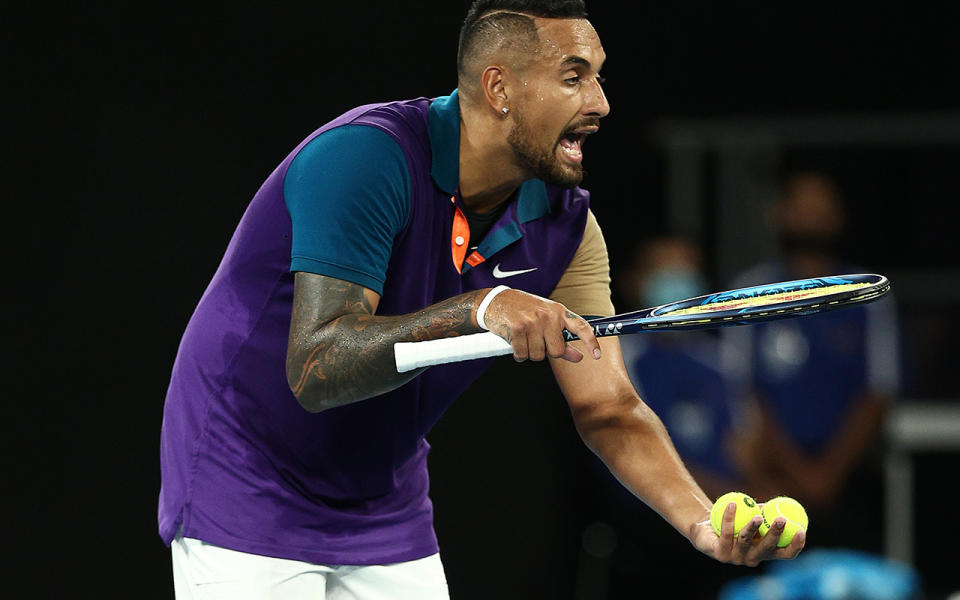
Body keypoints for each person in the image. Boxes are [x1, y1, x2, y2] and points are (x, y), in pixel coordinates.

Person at [159, 2, 804, 598]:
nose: (602, 103)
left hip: (382, 494)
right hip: (245, 472)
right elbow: (317, 367)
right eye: (574, 77)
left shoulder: (568, 229)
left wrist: (700, 525)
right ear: (499, 89)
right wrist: (480, 308)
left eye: (599, 77)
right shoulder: (365, 159)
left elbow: (609, 407)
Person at [721, 170, 900, 551]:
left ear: (839, 216)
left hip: (849, 477)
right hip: (771, 477)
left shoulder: (866, 292)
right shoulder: (751, 291)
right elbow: (742, 389)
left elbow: (879, 390)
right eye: (801, 207)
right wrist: (797, 472)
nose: (811, 217)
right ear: (779, 214)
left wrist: (828, 474)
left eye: (821, 208)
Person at [615, 235, 746, 502]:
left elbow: (744, 448)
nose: (676, 282)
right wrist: (728, 498)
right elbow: (639, 455)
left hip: (728, 516)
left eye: (685, 271)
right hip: (647, 520)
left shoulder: (724, 360)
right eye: (664, 271)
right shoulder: (615, 359)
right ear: (633, 281)